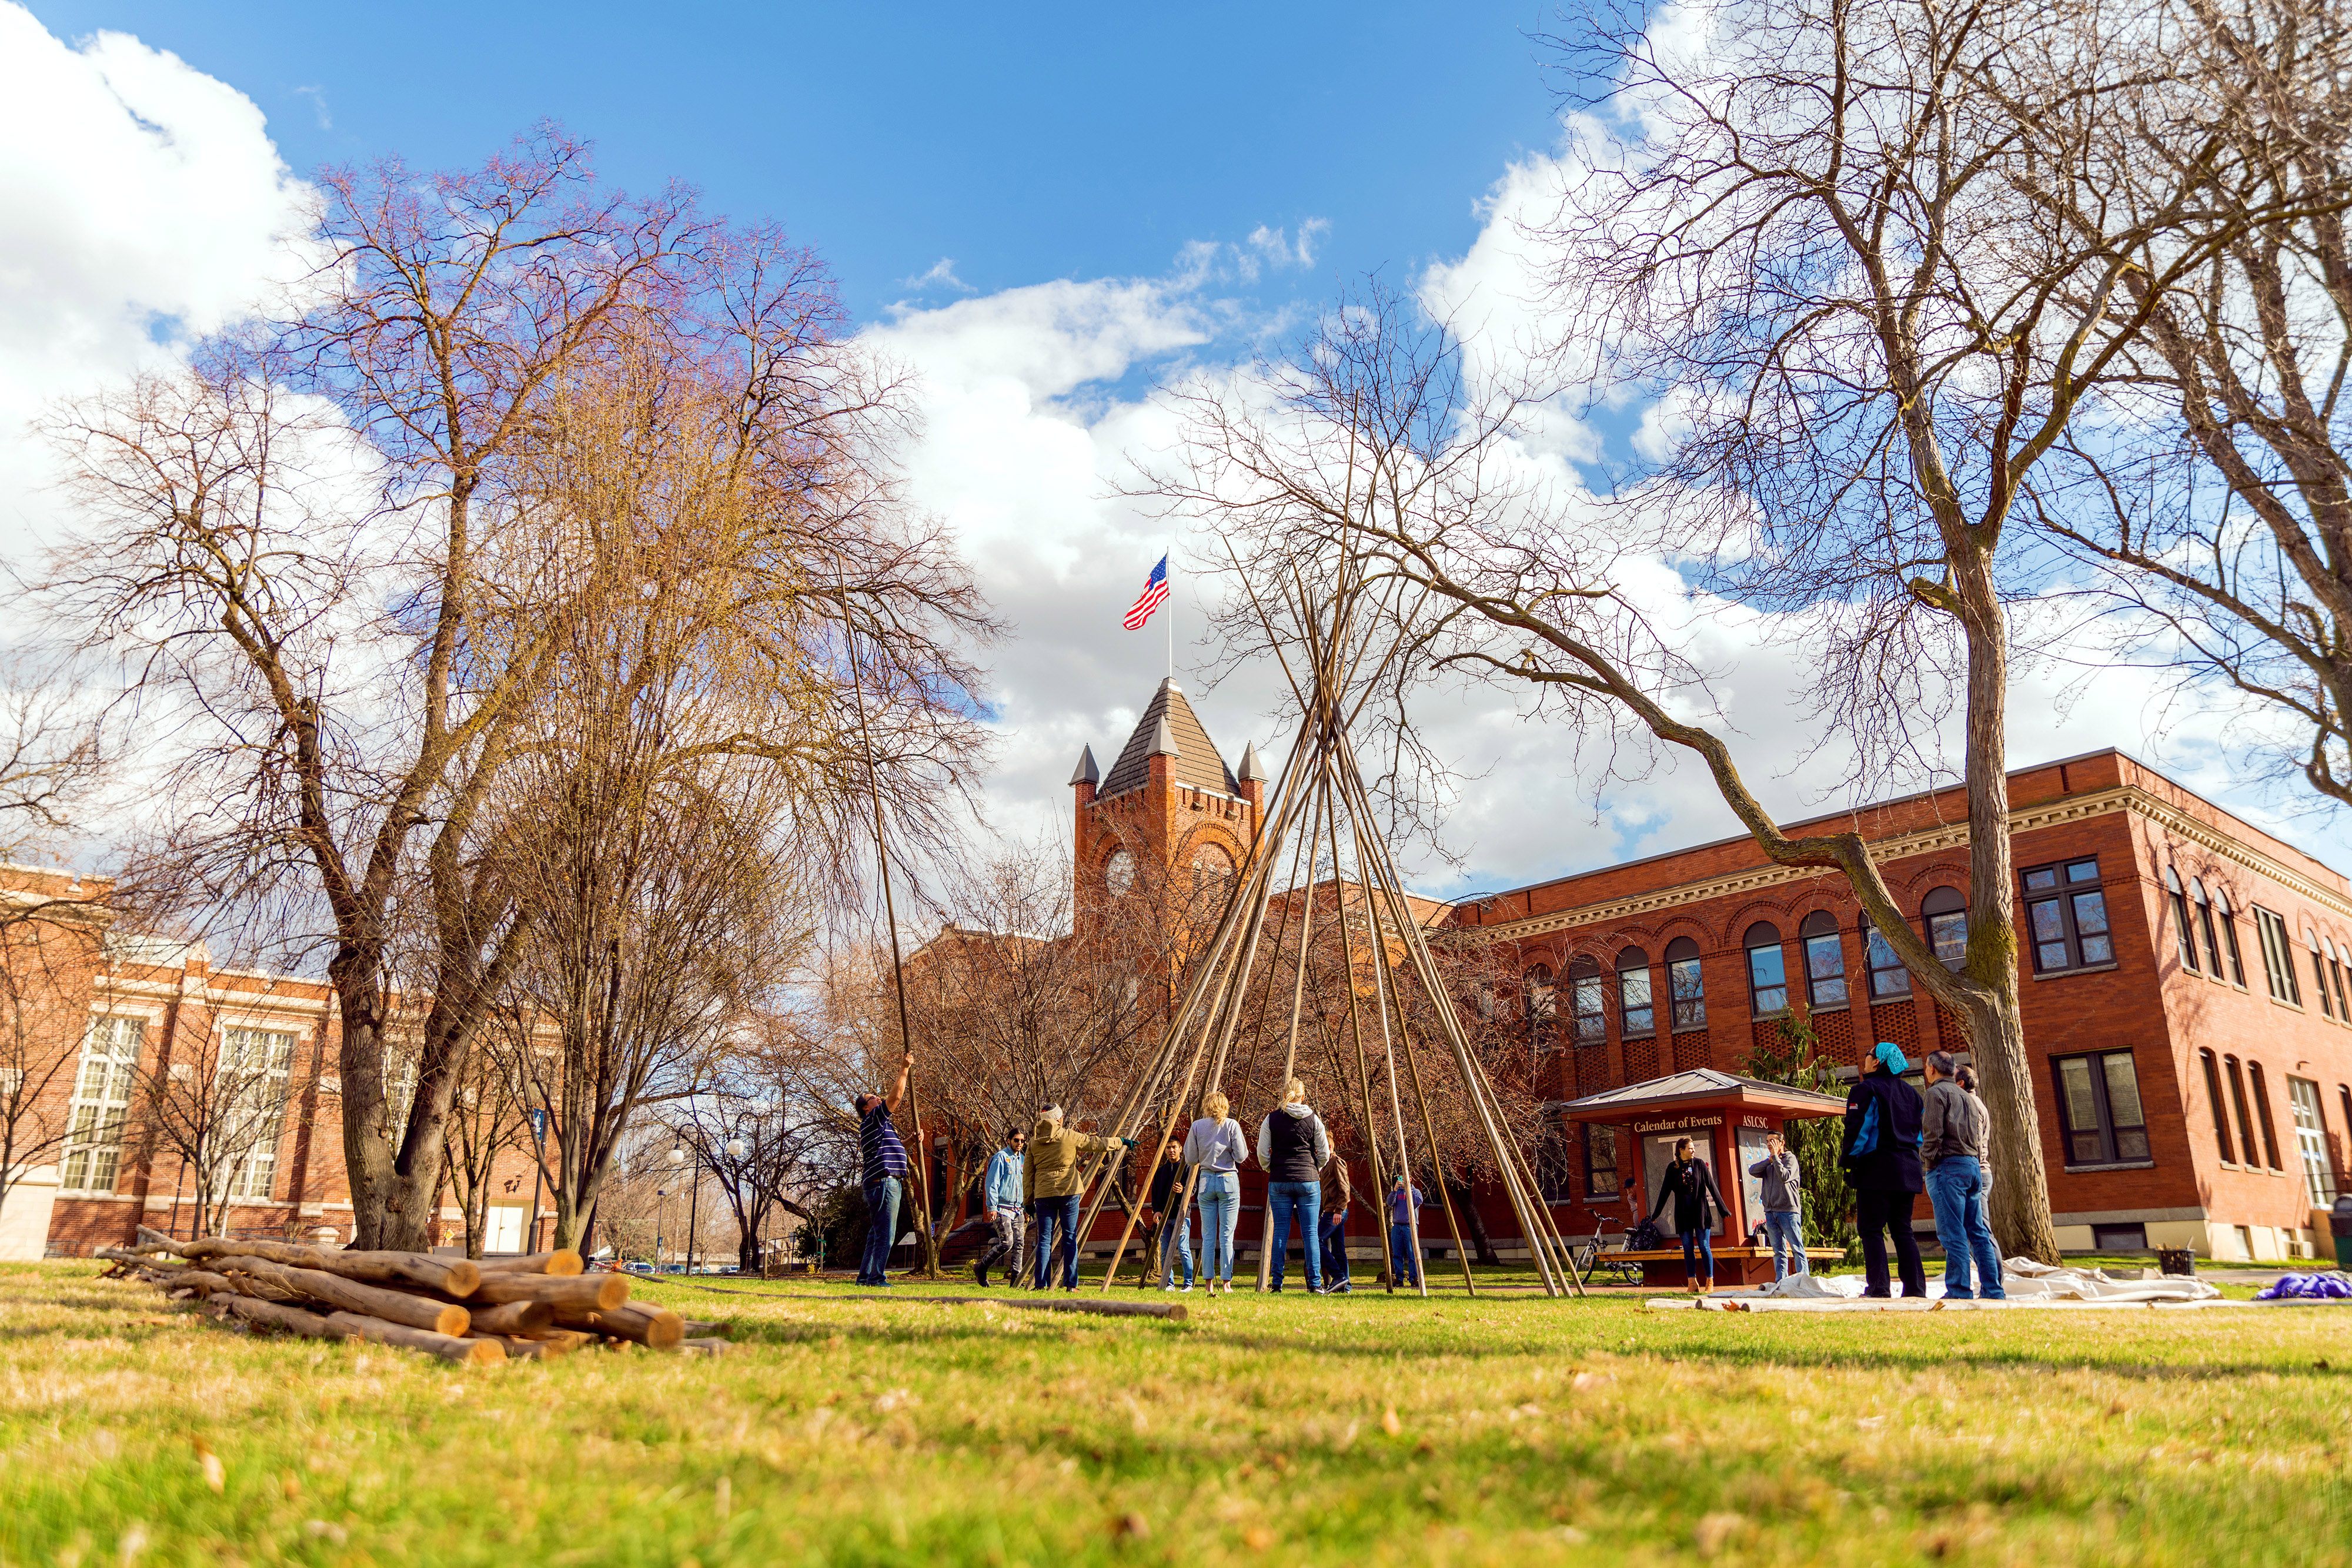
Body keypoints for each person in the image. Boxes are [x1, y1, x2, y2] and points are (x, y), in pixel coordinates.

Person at [1842, 1040, 1928, 1298]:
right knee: (1903, 1230)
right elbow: (1918, 1137)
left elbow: (1858, 1130)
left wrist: (1848, 1162)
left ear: (1877, 1062)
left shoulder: (1864, 1090)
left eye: (1868, 1054)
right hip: (1909, 1170)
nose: (1865, 1058)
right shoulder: (1914, 1094)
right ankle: (1915, 1289)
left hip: (1876, 1170)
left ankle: (1879, 1288)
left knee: (1870, 1229)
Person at [1922, 1051, 2005, 1300]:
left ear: (1932, 1069)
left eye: (1926, 1066)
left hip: (1947, 1167)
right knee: (1977, 1231)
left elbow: (1932, 1135)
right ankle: (1994, 1290)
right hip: (1973, 1167)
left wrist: (1928, 1163)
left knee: (1953, 1232)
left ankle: (1959, 1291)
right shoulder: (1968, 1097)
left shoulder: (1936, 1093)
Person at [1027, 1105, 1132, 1291]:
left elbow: (1027, 1174)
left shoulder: (1033, 1142)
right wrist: (1121, 1141)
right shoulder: (1069, 1135)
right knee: (1069, 1238)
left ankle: (1040, 1285)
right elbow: (1097, 1144)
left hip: (1043, 1195)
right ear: (1059, 1118)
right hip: (1068, 1191)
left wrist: (1028, 1202)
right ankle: (1070, 1284)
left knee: (1044, 1240)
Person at [1256, 1078, 1332, 1293]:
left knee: (1280, 1232)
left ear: (1283, 1095)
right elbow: (1324, 1152)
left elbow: (1262, 1153)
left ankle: (1277, 1284)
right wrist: (1315, 1168)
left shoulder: (1271, 1119)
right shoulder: (1314, 1119)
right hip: (1308, 1180)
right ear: (1303, 1096)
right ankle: (1316, 1284)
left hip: (1280, 1179)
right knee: (1310, 1233)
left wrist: (1271, 1168)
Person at [852, 1052, 914, 1288]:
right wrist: (904, 1069)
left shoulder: (879, 1128)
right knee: (886, 1235)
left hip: (878, 1181)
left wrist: (908, 1141)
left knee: (875, 1234)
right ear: (866, 1108)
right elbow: (895, 1098)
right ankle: (877, 1279)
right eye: (874, 1098)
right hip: (885, 1182)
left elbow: (894, 1149)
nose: (879, 1099)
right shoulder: (873, 1120)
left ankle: (865, 1277)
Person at [1184, 1090, 1248, 1295]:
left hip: (1205, 1181)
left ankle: (1209, 1284)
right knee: (1227, 1235)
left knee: (1208, 1236)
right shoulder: (1231, 1125)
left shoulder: (1196, 1126)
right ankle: (1227, 1283)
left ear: (1207, 1106)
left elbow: (1191, 1159)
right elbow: (1242, 1156)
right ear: (1225, 1106)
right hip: (1228, 1180)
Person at [1648, 1135, 1730, 1295]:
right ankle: (1692, 1283)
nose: (1693, 1150)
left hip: (1700, 1212)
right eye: (1690, 1148)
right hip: (1683, 1214)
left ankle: (1710, 1281)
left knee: (1704, 1246)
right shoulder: (1672, 1168)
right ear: (1681, 1151)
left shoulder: (1699, 1164)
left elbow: (1712, 1186)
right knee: (1687, 1248)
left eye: (1694, 1147)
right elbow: (1664, 1192)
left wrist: (1722, 1209)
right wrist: (1656, 1214)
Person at [1748, 1132, 1808, 1281]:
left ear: (1782, 1143)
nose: (1769, 1144)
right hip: (1770, 1212)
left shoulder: (1790, 1159)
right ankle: (1781, 1282)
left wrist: (1775, 1159)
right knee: (1778, 1251)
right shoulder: (1769, 1163)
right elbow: (1752, 1171)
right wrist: (1770, 1160)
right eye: (1767, 1141)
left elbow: (1784, 1176)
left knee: (1796, 1248)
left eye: (1773, 1141)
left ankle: (1804, 1281)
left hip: (1788, 1211)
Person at [973, 1125, 1027, 1288]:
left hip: (1018, 1209)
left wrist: (1026, 1206)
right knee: (1007, 1243)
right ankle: (981, 1268)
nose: (1019, 1143)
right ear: (1009, 1140)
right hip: (1002, 1208)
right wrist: (992, 1207)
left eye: (1022, 1141)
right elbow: (992, 1183)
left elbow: (1024, 1185)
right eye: (1016, 1140)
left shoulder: (1023, 1160)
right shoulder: (1000, 1158)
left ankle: (1016, 1282)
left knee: (1019, 1244)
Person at [1144, 1138, 1194, 1290]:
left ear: (1180, 1149)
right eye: (1168, 1148)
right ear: (1165, 1151)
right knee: (1165, 1251)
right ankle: (1168, 1282)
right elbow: (1155, 1194)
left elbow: (1194, 1189)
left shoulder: (1188, 1168)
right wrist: (1156, 1210)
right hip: (1165, 1217)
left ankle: (1188, 1283)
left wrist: (1183, 1190)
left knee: (1183, 1249)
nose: (1171, 1150)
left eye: (1174, 1147)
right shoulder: (1161, 1172)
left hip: (1182, 1215)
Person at [1315, 1161, 1354, 1295]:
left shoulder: (1336, 1162)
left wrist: (1339, 1210)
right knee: (1338, 1250)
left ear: (1331, 1147)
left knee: (1316, 1241)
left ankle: (1338, 1276)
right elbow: (1324, 1193)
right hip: (1331, 1210)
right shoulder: (1325, 1166)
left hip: (1335, 1211)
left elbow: (1345, 1187)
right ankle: (1345, 1287)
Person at [1387, 1174, 1426, 1287]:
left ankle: (1414, 1278)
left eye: (1404, 1178)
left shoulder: (1416, 1191)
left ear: (1410, 1179)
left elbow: (1418, 1201)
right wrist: (1394, 1190)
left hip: (1410, 1226)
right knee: (1397, 1254)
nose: (1402, 1181)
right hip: (1397, 1226)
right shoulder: (1397, 1192)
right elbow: (1390, 1202)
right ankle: (1399, 1279)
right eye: (1400, 1178)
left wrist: (1407, 1189)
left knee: (1412, 1253)